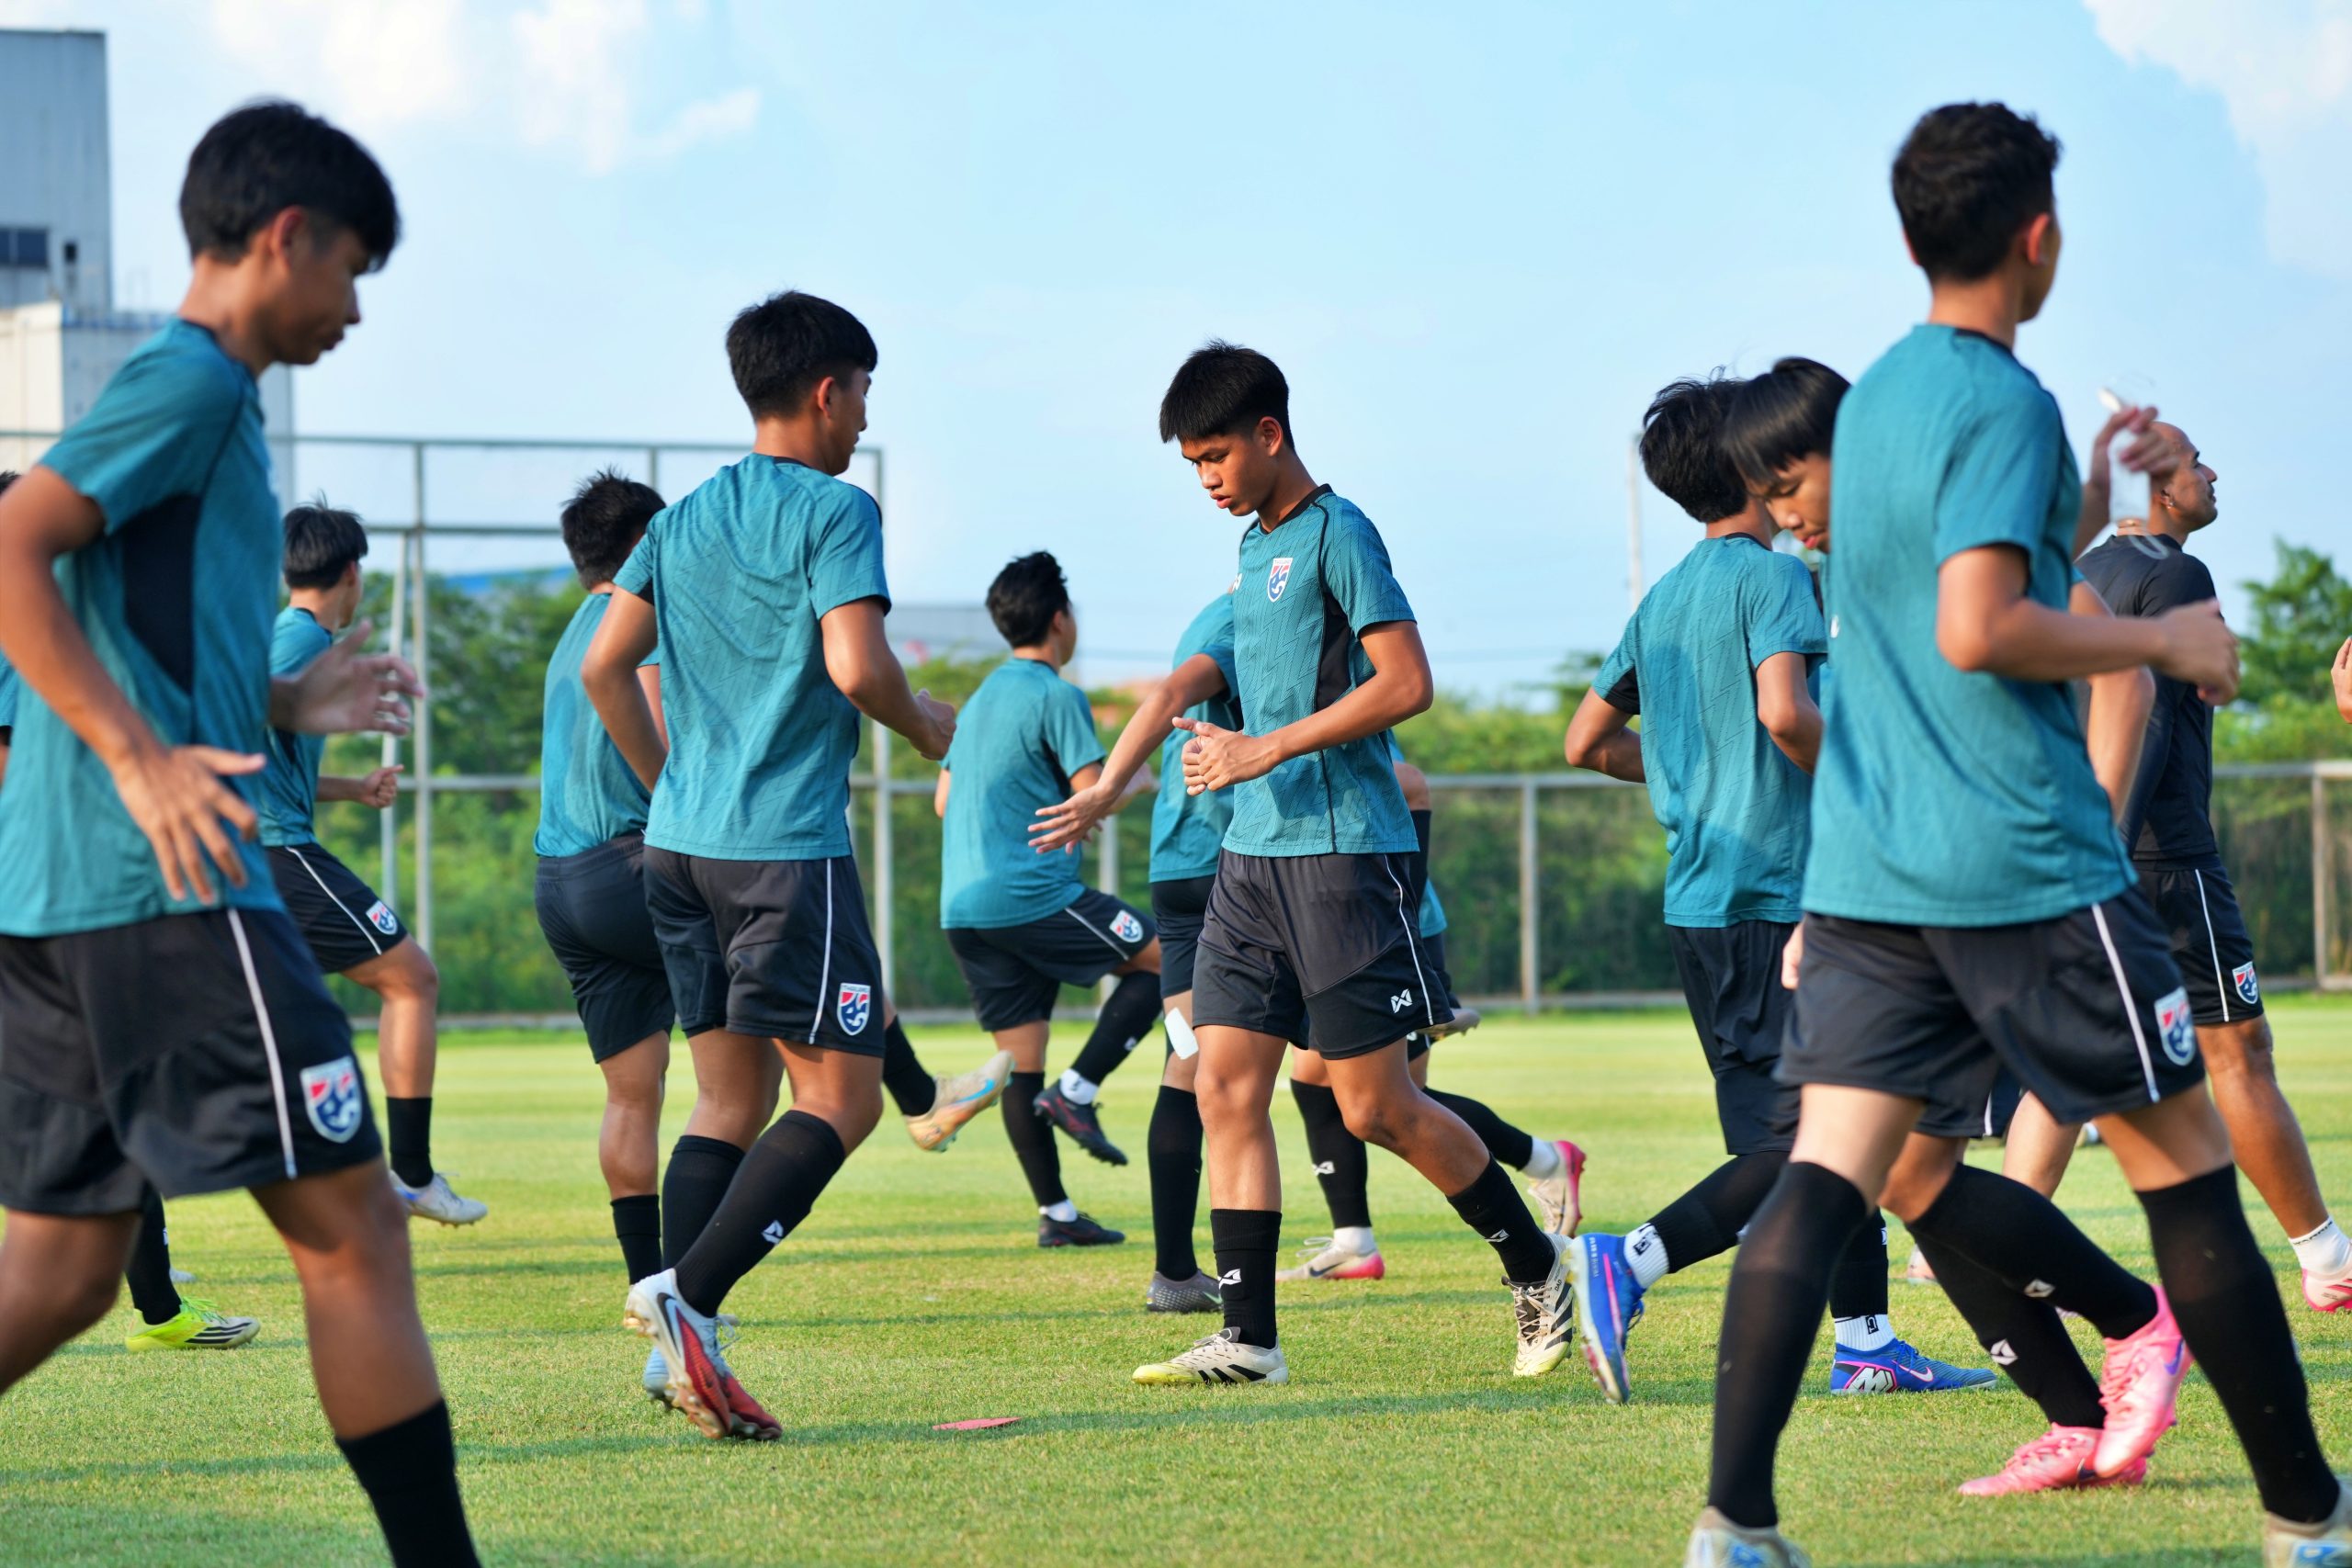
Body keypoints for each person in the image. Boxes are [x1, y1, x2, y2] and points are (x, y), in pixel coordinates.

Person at [1689, 103, 2346, 1566]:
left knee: (1828, 1171)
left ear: (1912, 233)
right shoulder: (2002, 399)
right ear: (2039, 237)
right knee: (2187, 1174)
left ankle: (1734, 1524)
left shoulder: (1875, 405)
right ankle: (2309, 1517)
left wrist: (2088, 499)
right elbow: (1979, 624)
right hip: (2023, 861)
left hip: (1871, 869)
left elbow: (1959, 580)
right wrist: (2166, 640)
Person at [0, 101, 477, 1564]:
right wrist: (141, 758)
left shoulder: (209, 402)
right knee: (355, 1231)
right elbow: (15, 540)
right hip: (166, 885)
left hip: (59, 892)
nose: (354, 309)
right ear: (286, 236)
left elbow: (130, 626)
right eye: (353, 271)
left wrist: (280, 697)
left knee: (66, 1265)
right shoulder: (195, 382)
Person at [1130, 342, 1571, 1388]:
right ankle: (1249, 1337)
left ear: (1269, 433)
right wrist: (1216, 754)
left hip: (1341, 857)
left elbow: (1406, 683)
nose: (1206, 479)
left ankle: (1541, 1267)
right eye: (1191, 464)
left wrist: (1264, 748)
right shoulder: (1250, 552)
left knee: (1376, 1110)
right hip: (1249, 862)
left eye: (1215, 456)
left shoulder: (1341, 532)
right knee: (1224, 1087)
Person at [1563, 373, 1989, 1404]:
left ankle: (1867, 1341)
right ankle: (1632, 1259)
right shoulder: (1774, 576)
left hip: (1699, 908)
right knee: (1829, 1135)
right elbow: (1787, 715)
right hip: (1782, 896)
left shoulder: (1664, 596)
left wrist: (1679, 771)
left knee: (1810, 1130)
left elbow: (1585, 742)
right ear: (1753, 466)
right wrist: (1875, 788)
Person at [585, 289, 957, 1442]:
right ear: (826, 390)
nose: (864, 418)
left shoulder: (682, 517)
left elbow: (604, 666)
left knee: (727, 1099)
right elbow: (858, 667)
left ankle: (674, 1347)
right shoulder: (837, 509)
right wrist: (930, 726)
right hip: (784, 853)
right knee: (842, 1099)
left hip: (679, 850)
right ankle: (690, 1301)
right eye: (864, 394)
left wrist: (672, 784)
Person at [2041, 433, 2352, 1309]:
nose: (2213, 474)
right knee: (2239, 1052)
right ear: (2159, 486)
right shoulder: (2174, 572)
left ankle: (1983, 1242)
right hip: (2164, 859)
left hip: (2083, 844)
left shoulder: (2082, 572)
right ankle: (2329, 1261)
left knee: (2074, 1066)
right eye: (2197, 463)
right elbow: (2143, 714)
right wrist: (2118, 845)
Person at [3, 467, 261, 1353]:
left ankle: (156, 1303)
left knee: (111, 1101)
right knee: (117, 1097)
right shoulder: (23, 633)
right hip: (46, 906)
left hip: (48, 904)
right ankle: (155, 1303)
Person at [257, 502, 483, 1225]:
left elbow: (268, 761)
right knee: (412, 977)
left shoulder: (291, 635)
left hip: (265, 845)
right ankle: (411, 1176)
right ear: (352, 573)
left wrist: (350, 787)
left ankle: (143, 1245)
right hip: (277, 850)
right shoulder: (300, 640)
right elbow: (241, 712)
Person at [1280, 754, 1585, 1282]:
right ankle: (1354, 1241)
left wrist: (1408, 945)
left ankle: (1545, 1165)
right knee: (1320, 1085)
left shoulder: (1335, 716)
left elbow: (1407, 782)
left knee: (1392, 1102)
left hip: (1383, 932)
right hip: (1328, 927)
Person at [934, 551, 1161, 1247]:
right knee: (1165, 958)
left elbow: (944, 802)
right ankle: (1079, 1090)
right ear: (1061, 618)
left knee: (1018, 1062)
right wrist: (1137, 781)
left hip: (963, 908)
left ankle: (1057, 1216)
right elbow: (1094, 793)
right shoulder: (1055, 694)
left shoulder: (980, 699)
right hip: (1029, 895)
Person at [1034, 584, 1237, 1311]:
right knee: (1358, 1075)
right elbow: (1168, 697)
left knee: (1188, 1062)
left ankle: (1174, 1273)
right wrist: (1105, 787)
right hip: (1234, 863)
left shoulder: (1207, 616)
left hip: (1177, 870)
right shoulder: (1257, 613)